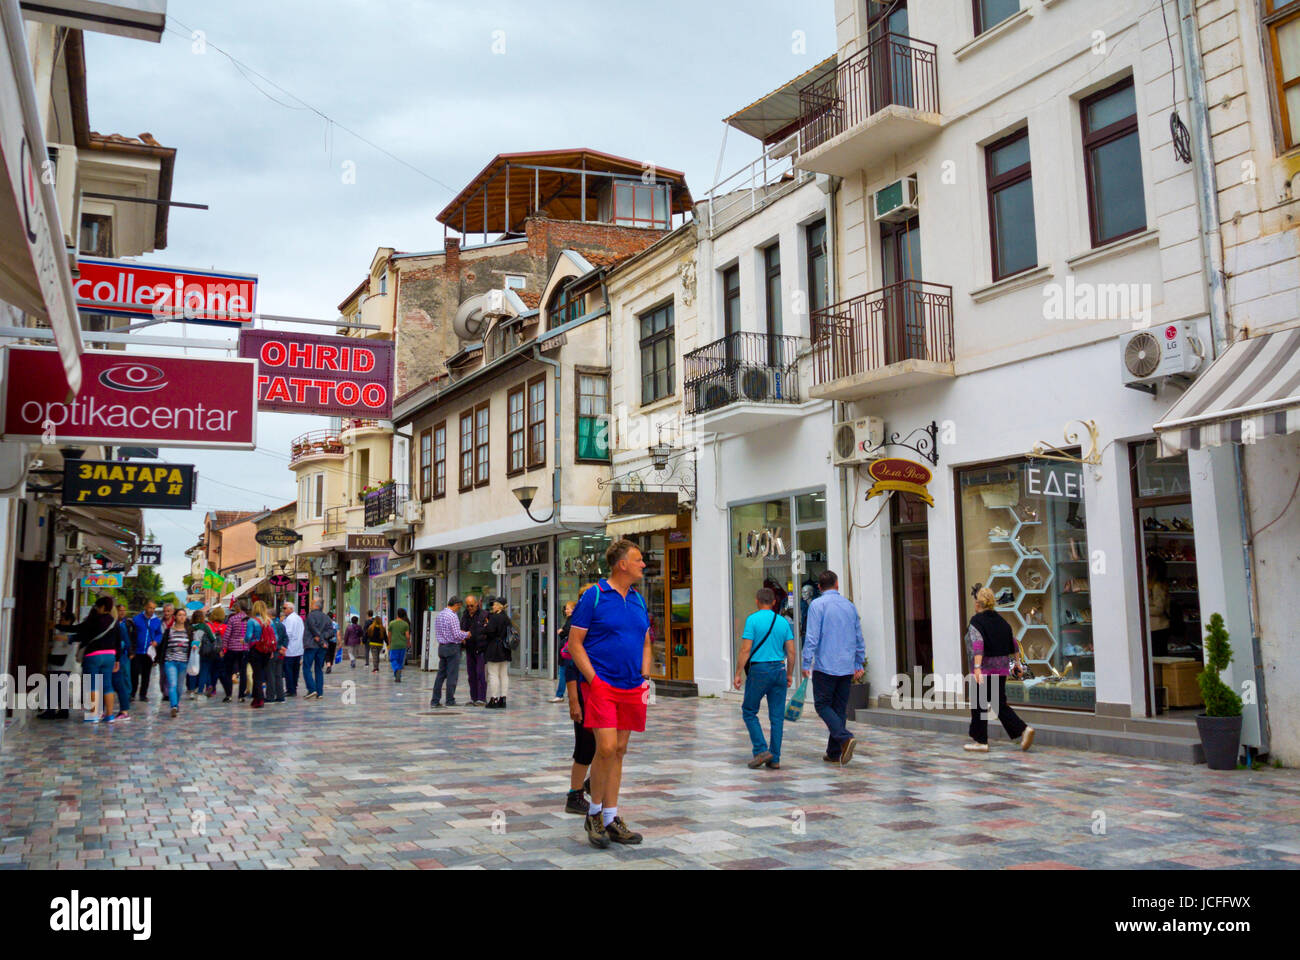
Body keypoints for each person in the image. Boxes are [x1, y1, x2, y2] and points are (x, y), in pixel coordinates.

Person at [567, 539, 653, 849]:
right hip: (601, 684)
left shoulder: (638, 600)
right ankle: (593, 813)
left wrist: (645, 676)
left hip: (632, 686)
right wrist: (593, 679)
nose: (643, 564)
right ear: (622, 565)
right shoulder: (594, 596)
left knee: (619, 749)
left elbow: (645, 642)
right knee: (604, 748)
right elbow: (574, 644)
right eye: (638, 559)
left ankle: (611, 817)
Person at [801, 570, 865, 766]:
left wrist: (806, 662)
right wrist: (858, 662)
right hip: (845, 666)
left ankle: (844, 738)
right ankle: (834, 751)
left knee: (821, 705)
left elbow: (812, 637)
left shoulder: (817, 605)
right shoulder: (849, 606)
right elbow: (858, 636)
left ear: (819, 588)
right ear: (837, 584)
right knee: (838, 709)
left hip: (825, 665)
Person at [733, 587, 796, 770]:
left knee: (749, 710)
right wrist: (789, 673)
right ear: (774, 602)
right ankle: (775, 758)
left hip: (759, 670)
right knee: (777, 717)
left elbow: (746, 650)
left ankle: (761, 749)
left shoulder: (752, 620)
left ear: (757, 601)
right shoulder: (783, 621)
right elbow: (791, 652)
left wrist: (738, 673)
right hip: (779, 670)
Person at [966, 586, 1035, 753]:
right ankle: (1023, 730)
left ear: (978, 604)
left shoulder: (976, 621)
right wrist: (1017, 663)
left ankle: (981, 741)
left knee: (978, 703)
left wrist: (976, 668)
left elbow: (978, 645)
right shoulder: (1002, 621)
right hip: (1002, 667)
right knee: (998, 703)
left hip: (984, 668)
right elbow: (1013, 642)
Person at [560, 583, 597, 814]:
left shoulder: (598, 624)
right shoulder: (580, 627)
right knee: (585, 744)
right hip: (584, 693)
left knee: (605, 745)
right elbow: (571, 664)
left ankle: (593, 783)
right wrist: (573, 700)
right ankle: (575, 794)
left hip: (601, 692)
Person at [76, 596, 120, 723]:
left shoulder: (94, 620)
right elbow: (118, 641)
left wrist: (59, 627)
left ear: (101, 607)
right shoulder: (114, 621)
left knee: (92, 684)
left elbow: (80, 630)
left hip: (93, 655)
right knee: (107, 685)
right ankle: (110, 715)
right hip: (110, 656)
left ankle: (94, 714)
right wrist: (117, 659)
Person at [431, 599, 469, 707]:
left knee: (440, 675)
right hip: (452, 647)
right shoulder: (452, 616)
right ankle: (450, 700)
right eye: (459, 607)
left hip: (442, 647)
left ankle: (435, 700)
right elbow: (456, 634)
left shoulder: (440, 615)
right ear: (456, 605)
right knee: (452, 675)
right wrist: (466, 634)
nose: (459, 609)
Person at [161, 608, 198, 718]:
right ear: (175, 617)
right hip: (170, 660)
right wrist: (160, 659)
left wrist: (195, 646)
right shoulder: (169, 631)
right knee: (172, 684)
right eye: (180, 615)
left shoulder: (189, 631)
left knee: (180, 687)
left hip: (183, 662)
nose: (182, 617)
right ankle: (174, 706)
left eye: (184, 615)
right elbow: (164, 646)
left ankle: (176, 703)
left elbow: (195, 642)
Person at [245, 600, 276, 709]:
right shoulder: (269, 621)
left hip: (256, 649)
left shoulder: (252, 621)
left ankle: (259, 698)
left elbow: (248, 636)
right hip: (267, 651)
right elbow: (275, 637)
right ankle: (256, 697)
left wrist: (245, 641)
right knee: (263, 673)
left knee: (256, 675)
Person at [129, 600, 162, 701]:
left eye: (153, 608)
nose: (151, 610)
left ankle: (143, 694)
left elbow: (159, 633)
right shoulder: (137, 619)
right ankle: (132, 693)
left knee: (146, 674)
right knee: (134, 673)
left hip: (149, 652)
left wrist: (156, 641)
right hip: (137, 651)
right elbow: (131, 634)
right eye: (150, 608)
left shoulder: (156, 621)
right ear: (145, 607)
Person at [482, 598, 512, 708]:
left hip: (494, 648)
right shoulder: (507, 618)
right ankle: (503, 699)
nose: (493, 607)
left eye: (494, 605)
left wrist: (486, 626)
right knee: (504, 674)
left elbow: (489, 631)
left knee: (493, 674)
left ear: (499, 606)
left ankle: (494, 699)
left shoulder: (495, 618)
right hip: (505, 648)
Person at [461, 595, 490, 706]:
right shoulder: (465, 615)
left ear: (477, 604)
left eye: (472, 605)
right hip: (469, 648)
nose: (470, 608)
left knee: (480, 674)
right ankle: (473, 698)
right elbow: (462, 627)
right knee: (471, 675)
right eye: (467, 606)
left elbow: (488, 630)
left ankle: (481, 698)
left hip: (481, 648)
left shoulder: (484, 615)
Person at [303, 599, 334, 700]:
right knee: (318, 669)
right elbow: (331, 631)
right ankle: (319, 692)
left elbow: (313, 630)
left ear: (315, 605)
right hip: (322, 647)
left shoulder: (311, 616)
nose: (310, 604)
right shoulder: (326, 617)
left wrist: (320, 639)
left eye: (311, 603)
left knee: (306, 668)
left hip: (312, 645)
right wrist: (324, 638)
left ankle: (312, 689)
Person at [220, 600, 251, 703]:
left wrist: (224, 647)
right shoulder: (249, 620)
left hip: (232, 648)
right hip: (244, 649)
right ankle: (241, 695)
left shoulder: (232, 619)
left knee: (228, 672)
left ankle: (229, 695)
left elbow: (227, 635)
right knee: (243, 672)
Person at [108, 604, 133, 724]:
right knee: (114, 684)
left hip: (117, 659)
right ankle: (119, 710)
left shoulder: (119, 626)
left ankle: (123, 710)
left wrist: (126, 653)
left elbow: (126, 642)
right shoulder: (117, 625)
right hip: (115, 658)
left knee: (119, 683)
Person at [552, 600, 575, 702]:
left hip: (567, 652)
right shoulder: (571, 620)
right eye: (566, 608)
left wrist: (562, 632)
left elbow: (565, 632)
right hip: (568, 652)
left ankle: (560, 694)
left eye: (568, 608)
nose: (566, 610)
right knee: (568, 673)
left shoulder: (571, 620)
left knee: (563, 673)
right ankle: (568, 694)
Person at [1147, 556, 1171, 658]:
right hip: (1154, 627)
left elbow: (1159, 609)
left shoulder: (1157, 586)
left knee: (1157, 657)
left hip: (1158, 628)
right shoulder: (1151, 585)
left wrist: (1143, 609)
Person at [202, 607, 227, 697]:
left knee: (211, 670)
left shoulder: (208, 626)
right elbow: (226, 640)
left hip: (210, 651)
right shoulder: (225, 627)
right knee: (220, 671)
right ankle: (226, 688)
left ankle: (211, 687)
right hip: (221, 652)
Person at [282, 601, 305, 696]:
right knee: (295, 670)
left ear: (291, 609)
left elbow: (288, 634)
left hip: (291, 649)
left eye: (285, 608)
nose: (283, 610)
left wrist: (284, 646)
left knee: (289, 670)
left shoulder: (290, 619)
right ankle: (293, 687)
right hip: (298, 648)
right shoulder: (298, 618)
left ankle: (290, 689)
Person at [267, 607, 288, 703]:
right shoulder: (281, 624)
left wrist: (279, 647)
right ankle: (280, 696)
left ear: (270, 615)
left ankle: (270, 696)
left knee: (270, 674)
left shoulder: (270, 624)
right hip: (281, 653)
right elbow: (286, 638)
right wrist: (284, 647)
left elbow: (272, 639)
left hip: (273, 651)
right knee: (278, 675)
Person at [158, 601, 176, 701]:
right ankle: (164, 691)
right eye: (165, 611)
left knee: (171, 674)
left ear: (172, 612)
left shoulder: (176, 623)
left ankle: (168, 693)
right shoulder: (160, 623)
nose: (166, 613)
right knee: (163, 675)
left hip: (174, 652)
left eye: (168, 611)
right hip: (162, 652)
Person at [387, 608, 410, 682]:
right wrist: (408, 642)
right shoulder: (405, 624)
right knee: (400, 661)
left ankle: (396, 670)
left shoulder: (392, 623)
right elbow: (407, 636)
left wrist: (389, 643)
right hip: (402, 645)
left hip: (394, 645)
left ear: (397, 614)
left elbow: (389, 635)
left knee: (393, 659)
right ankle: (398, 675)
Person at [364, 609, 387, 674]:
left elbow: (366, 634)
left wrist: (364, 640)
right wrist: (387, 643)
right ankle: (377, 667)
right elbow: (385, 636)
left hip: (373, 643)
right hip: (380, 644)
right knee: (377, 655)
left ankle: (375, 668)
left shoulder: (371, 627)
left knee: (375, 656)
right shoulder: (382, 628)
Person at [325, 610, 339, 675]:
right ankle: (330, 664)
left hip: (327, 640)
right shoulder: (336, 624)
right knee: (332, 653)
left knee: (327, 653)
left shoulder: (325, 624)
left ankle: (328, 665)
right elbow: (338, 634)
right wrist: (340, 642)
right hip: (334, 641)